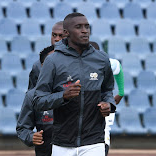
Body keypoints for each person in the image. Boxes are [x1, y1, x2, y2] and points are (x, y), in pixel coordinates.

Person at [33, 13, 116, 156]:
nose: (85, 31)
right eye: (79, 27)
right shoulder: (52, 61)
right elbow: (38, 101)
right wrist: (63, 96)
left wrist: (109, 104)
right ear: (66, 33)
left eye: (87, 27)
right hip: (62, 142)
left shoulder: (101, 59)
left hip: (94, 141)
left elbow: (107, 90)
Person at [16, 46, 54, 156]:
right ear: (42, 66)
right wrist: (31, 137)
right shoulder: (32, 96)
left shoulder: (74, 92)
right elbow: (22, 128)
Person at [28, 21, 64, 90]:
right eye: (54, 35)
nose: (56, 39)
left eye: (61, 36)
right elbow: (32, 94)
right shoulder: (38, 65)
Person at [105, 58, 124, 156]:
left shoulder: (103, 61)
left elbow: (117, 65)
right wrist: (121, 92)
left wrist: (121, 92)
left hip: (102, 109)